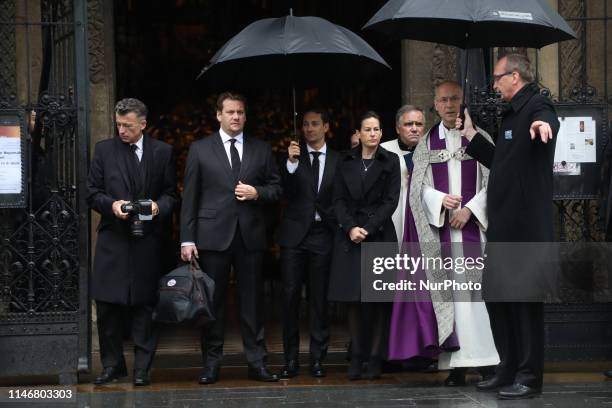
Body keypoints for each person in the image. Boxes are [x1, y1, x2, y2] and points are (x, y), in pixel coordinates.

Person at [460, 53, 559, 399]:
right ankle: (508, 367)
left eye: (498, 77)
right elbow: (501, 165)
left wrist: (543, 126)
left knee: (525, 301)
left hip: (526, 228)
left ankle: (529, 377)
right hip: (503, 227)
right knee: (498, 297)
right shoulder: (511, 115)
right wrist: (471, 136)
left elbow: (547, 120)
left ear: (514, 76)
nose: (494, 84)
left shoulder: (537, 106)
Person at [180, 92, 282, 384]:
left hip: (250, 237)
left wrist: (257, 192)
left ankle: (257, 363)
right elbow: (191, 197)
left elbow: (276, 188)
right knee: (212, 304)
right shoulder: (200, 149)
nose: (236, 116)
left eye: (240, 112)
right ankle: (211, 364)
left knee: (252, 303)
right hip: (212, 237)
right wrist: (187, 239)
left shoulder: (261, 149)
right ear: (219, 115)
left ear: (245, 116)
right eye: (230, 112)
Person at [414, 81, 500, 386]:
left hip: (475, 232)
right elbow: (417, 189)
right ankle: (457, 365)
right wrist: (440, 201)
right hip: (443, 235)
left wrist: (471, 209)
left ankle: (488, 362)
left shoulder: (480, 138)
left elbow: (497, 180)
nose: (450, 105)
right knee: (450, 298)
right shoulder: (426, 144)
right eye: (443, 100)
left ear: (463, 102)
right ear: (435, 105)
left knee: (477, 298)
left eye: (454, 99)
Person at [87, 98, 177, 386]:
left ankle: (142, 368)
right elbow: (91, 193)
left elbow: (172, 195)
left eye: (127, 125)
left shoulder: (163, 152)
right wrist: (112, 205)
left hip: (147, 240)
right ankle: (112, 366)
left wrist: (157, 208)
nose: (122, 130)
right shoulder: (104, 150)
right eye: (118, 125)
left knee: (145, 306)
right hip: (113, 237)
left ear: (143, 124)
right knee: (108, 306)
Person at [328, 111, 400, 380]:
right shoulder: (344, 161)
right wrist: (349, 228)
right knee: (354, 302)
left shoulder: (390, 161)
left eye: (377, 129)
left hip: (379, 235)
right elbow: (337, 200)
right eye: (367, 129)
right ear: (358, 133)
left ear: (382, 133)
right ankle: (356, 357)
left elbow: (391, 201)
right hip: (350, 237)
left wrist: (368, 228)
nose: (372, 134)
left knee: (378, 301)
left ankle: (375, 359)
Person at [277, 108, 340, 379]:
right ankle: (290, 359)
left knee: (319, 299)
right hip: (294, 237)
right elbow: (283, 191)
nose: (309, 129)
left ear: (326, 127)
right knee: (290, 297)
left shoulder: (339, 159)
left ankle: (317, 358)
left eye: (315, 124)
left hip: (323, 234)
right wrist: (290, 164)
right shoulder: (292, 157)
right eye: (305, 125)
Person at [380, 105, 426, 248]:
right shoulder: (383, 151)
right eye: (408, 124)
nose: (414, 128)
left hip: (423, 215)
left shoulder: (433, 151)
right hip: (393, 216)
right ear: (397, 128)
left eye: (418, 124)